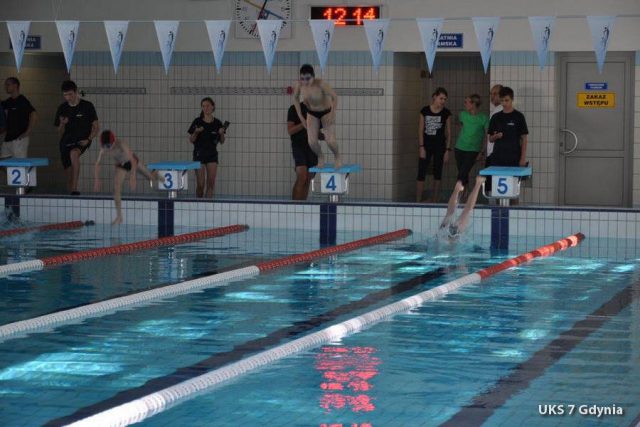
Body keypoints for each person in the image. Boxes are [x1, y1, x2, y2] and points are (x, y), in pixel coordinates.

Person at [93, 130, 162, 225]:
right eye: (105, 146)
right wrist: (96, 179)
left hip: (132, 162)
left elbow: (132, 160)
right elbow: (97, 164)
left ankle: (156, 174)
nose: (107, 148)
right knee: (116, 188)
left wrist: (132, 176)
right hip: (121, 165)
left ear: (114, 141)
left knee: (151, 178)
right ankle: (119, 216)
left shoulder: (121, 144)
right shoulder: (104, 148)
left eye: (109, 146)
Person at [54, 80, 99, 195]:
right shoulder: (62, 108)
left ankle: (74, 188)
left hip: (81, 141)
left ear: (76, 92)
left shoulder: (87, 106)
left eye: (70, 94)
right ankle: (71, 195)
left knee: (74, 153)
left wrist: (89, 139)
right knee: (69, 174)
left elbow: (96, 127)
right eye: (65, 95)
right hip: (66, 141)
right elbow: (59, 132)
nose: (68, 98)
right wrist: (62, 124)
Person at [293, 64, 340, 169]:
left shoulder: (321, 84)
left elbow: (334, 97)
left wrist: (333, 113)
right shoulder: (299, 85)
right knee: (312, 142)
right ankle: (320, 157)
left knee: (330, 141)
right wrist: (300, 116)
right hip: (312, 113)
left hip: (326, 112)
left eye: (307, 79)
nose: (305, 82)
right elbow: (295, 98)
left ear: (313, 76)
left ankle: (337, 156)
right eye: (302, 79)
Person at [486, 86, 529, 202]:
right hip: (498, 157)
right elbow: (490, 139)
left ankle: (514, 211)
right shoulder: (496, 117)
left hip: (514, 157)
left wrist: (522, 158)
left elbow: (524, 139)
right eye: (502, 101)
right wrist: (496, 136)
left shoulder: (518, 117)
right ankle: (499, 212)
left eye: (507, 100)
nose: (504, 103)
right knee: (498, 190)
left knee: (514, 191)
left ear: (512, 99)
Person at [416, 87, 452, 203]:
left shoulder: (446, 113)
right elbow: (420, 130)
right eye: (441, 98)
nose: (443, 101)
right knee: (421, 171)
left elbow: (449, 133)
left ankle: (434, 200)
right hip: (426, 145)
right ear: (434, 97)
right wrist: (421, 147)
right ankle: (418, 201)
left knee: (438, 172)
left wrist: (447, 150)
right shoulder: (425, 111)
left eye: (445, 99)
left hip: (440, 146)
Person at [187, 97, 226, 198]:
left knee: (211, 184)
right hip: (199, 155)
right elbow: (191, 140)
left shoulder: (217, 123)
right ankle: (198, 204)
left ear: (213, 107)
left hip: (212, 155)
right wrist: (196, 132)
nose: (206, 108)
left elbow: (222, 141)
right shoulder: (197, 121)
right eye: (203, 106)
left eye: (208, 106)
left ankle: (208, 205)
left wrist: (221, 133)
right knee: (200, 185)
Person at [454, 94, 489, 193]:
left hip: (473, 150)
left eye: (466, 102)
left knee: (462, 173)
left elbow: (487, 136)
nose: (464, 104)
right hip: (459, 148)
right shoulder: (463, 115)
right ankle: (465, 193)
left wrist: (482, 152)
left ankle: (457, 195)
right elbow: (458, 122)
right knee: (463, 173)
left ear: (473, 104)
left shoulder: (483, 118)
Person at [440, 176, 486, 241]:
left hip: (451, 238)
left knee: (467, 210)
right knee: (449, 213)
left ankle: (478, 183)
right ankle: (457, 189)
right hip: (441, 233)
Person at [287, 103, 318, 200]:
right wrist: (304, 124)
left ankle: (302, 205)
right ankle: (294, 205)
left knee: (308, 178)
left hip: (312, 147)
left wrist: (326, 136)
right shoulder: (294, 109)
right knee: (302, 176)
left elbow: (318, 132)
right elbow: (290, 130)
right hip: (299, 145)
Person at [1, 77, 37, 159]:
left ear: (15, 85)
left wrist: (27, 132)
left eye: (8, 85)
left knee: (19, 164)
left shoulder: (22, 101)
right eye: (5, 85)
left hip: (19, 139)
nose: (6, 87)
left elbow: (34, 114)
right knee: (3, 161)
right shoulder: (8, 102)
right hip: (8, 139)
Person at [486, 84, 503, 158]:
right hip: (494, 151)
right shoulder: (496, 110)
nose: (492, 96)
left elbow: (499, 133)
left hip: (496, 152)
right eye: (491, 94)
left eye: (495, 94)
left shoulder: (500, 110)